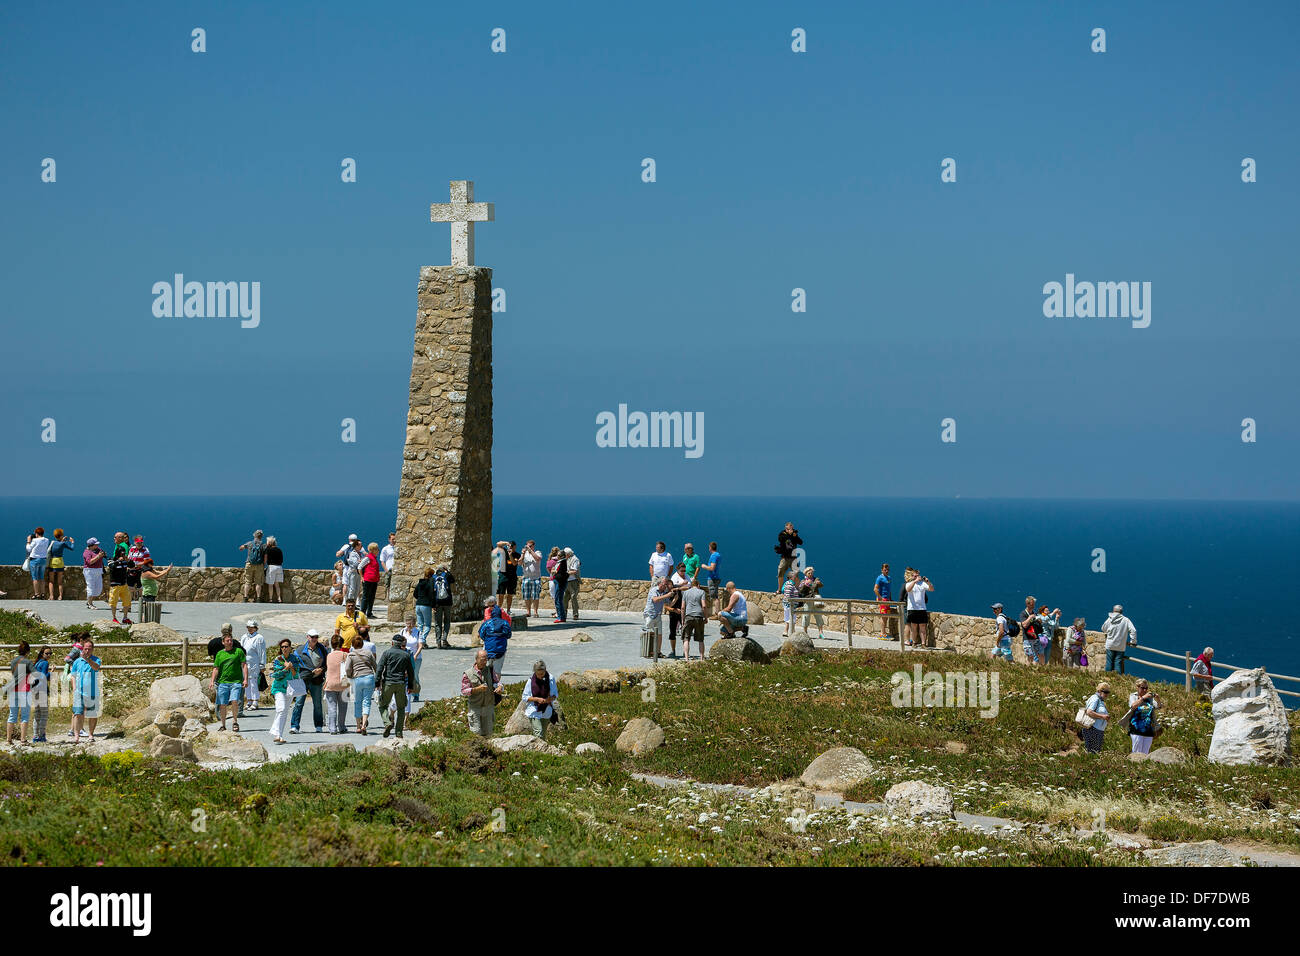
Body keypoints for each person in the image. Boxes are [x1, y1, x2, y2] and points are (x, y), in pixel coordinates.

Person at [290, 629, 329, 734]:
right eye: (312, 637)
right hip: (303, 680)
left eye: (316, 637)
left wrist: (322, 669)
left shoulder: (322, 649)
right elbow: (295, 663)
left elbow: (327, 663)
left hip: (317, 680)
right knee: (298, 703)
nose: (314, 639)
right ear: (307, 637)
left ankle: (318, 725)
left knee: (317, 704)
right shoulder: (299, 650)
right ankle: (294, 726)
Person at [377, 634, 416, 738]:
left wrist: (377, 683)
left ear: (392, 643)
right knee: (401, 708)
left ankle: (387, 723)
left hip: (388, 683)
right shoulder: (406, 655)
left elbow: (379, 668)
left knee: (383, 705)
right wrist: (411, 686)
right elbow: (411, 672)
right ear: (401, 644)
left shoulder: (386, 653)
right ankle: (399, 732)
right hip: (401, 683)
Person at [210, 631, 248, 732]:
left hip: (236, 681)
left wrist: (245, 679)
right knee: (222, 704)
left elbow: (244, 665)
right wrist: (212, 681)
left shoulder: (238, 652)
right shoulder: (219, 654)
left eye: (231, 640)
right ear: (223, 642)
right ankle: (223, 725)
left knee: (235, 701)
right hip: (222, 682)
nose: (230, 642)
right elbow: (216, 668)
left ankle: (235, 722)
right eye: (228, 640)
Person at [461, 649, 502, 737]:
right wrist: (476, 689)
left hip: (488, 706)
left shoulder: (490, 670)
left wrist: (499, 687)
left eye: (486, 659)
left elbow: (496, 682)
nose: (484, 662)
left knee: (488, 734)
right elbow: (464, 691)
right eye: (482, 659)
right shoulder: (468, 673)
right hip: (475, 708)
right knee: (476, 734)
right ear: (476, 659)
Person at [69, 639, 103, 742]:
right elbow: (73, 675)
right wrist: (74, 687)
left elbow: (96, 668)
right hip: (79, 692)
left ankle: (91, 734)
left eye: (89, 649)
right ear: (82, 649)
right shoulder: (77, 662)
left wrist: (88, 660)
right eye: (85, 649)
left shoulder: (96, 659)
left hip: (92, 691)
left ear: (93, 649)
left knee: (92, 714)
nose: (87, 651)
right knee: (77, 714)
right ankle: (76, 736)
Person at [344, 635, 378, 734]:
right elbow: (375, 666)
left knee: (357, 702)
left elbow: (347, 668)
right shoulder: (368, 653)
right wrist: (378, 679)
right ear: (362, 644)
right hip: (369, 677)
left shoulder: (351, 655)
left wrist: (350, 676)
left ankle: (358, 726)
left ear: (353, 645)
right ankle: (364, 724)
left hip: (357, 678)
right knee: (367, 701)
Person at [268, 638, 298, 743]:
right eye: (282, 647)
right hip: (279, 687)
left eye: (286, 646)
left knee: (284, 711)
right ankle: (276, 732)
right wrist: (285, 668)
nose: (284, 648)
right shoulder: (278, 659)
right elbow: (275, 674)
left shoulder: (294, 659)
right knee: (281, 708)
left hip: (290, 688)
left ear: (290, 648)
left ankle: (279, 735)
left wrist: (291, 667)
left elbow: (296, 674)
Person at [524, 660, 559, 739]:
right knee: (538, 732)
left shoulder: (550, 678)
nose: (540, 676)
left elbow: (555, 694)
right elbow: (525, 697)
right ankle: (538, 750)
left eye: (542, 673)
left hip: (547, 709)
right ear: (534, 672)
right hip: (534, 709)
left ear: (545, 670)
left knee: (543, 734)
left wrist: (550, 698)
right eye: (538, 674)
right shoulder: (530, 681)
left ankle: (540, 750)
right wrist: (537, 699)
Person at [6, 642, 33, 744]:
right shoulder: (28, 662)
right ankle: (23, 739)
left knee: (12, 715)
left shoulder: (13, 661)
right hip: (24, 690)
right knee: (24, 715)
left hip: (14, 690)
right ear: (27, 651)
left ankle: (9, 739)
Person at [1127, 679, 1161, 755]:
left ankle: (1142, 767)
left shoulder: (1150, 698)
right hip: (1136, 728)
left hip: (1149, 728)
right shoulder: (1133, 696)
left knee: (1145, 753)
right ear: (1137, 687)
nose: (1145, 690)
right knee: (1136, 752)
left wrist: (1158, 699)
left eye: (1146, 688)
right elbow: (1133, 706)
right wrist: (1143, 698)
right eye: (1142, 688)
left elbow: (1158, 707)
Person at [323, 636, 348, 734]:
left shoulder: (329, 655)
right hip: (343, 683)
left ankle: (332, 728)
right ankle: (341, 726)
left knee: (331, 707)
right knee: (343, 707)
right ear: (341, 644)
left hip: (330, 684)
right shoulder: (345, 654)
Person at [240, 619, 267, 712]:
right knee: (246, 681)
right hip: (245, 663)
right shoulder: (244, 637)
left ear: (255, 628)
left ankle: (255, 701)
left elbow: (262, 652)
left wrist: (262, 664)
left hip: (254, 662)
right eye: (248, 627)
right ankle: (249, 700)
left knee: (253, 682)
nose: (250, 629)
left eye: (252, 627)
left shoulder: (259, 638)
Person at [481, 598, 512, 675]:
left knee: (484, 657)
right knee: (497, 671)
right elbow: (509, 634)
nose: (489, 607)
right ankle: (496, 684)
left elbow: (482, 633)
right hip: (500, 645)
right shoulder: (503, 622)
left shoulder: (499, 613)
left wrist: (487, 638)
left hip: (489, 641)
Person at [1103, 604, 1137, 674]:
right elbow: (1133, 630)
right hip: (1120, 645)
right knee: (1118, 662)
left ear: (1113, 610)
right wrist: (1133, 641)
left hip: (1110, 644)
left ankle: (1106, 677)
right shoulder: (1126, 620)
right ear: (1121, 611)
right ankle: (1117, 679)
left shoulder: (1110, 619)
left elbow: (1103, 629)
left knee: (1109, 662)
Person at [644, 577, 673, 657]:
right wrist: (667, 595)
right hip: (650, 615)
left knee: (659, 634)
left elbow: (668, 605)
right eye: (665, 584)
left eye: (666, 584)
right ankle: (647, 651)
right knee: (649, 633)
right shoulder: (654, 590)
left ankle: (658, 652)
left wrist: (675, 598)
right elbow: (655, 600)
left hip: (658, 615)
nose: (666, 586)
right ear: (660, 584)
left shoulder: (664, 592)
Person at [904, 570, 933, 648]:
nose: (917, 577)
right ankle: (914, 642)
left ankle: (923, 644)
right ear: (912, 576)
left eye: (918, 575)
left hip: (922, 608)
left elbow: (931, 589)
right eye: (915, 576)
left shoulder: (923, 584)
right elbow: (908, 590)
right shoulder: (908, 584)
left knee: (922, 626)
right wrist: (915, 581)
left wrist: (928, 582)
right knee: (914, 627)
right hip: (912, 608)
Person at [680, 578, 707, 660]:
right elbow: (704, 606)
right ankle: (702, 658)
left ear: (691, 585)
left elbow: (682, 607)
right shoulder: (701, 592)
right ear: (698, 585)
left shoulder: (685, 593)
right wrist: (706, 617)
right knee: (700, 639)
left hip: (688, 616)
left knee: (686, 638)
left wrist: (682, 619)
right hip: (699, 616)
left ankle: (687, 658)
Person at [105, 546, 133, 625]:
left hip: (124, 584)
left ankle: (125, 617)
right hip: (115, 584)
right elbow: (112, 567)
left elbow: (132, 565)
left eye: (124, 552)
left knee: (127, 601)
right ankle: (114, 618)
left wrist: (128, 560)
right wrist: (118, 561)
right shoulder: (111, 560)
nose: (123, 554)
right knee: (113, 601)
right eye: (122, 552)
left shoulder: (125, 561)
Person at [30, 645, 52, 743]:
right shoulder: (45, 663)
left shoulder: (36, 663)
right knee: (44, 714)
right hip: (42, 690)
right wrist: (51, 672)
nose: (49, 655)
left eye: (50, 653)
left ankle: (35, 736)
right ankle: (42, 735)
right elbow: (44, 676)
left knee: (37, 714)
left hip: (34, 690)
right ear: (42, 654)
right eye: (47, 653)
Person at [46, 530, 76, 601]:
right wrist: (72, 542)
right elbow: (72, 548)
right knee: (60, 582)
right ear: (61, 535)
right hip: (60, 562)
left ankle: (51, 596)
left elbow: (57, 545)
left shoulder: (52, 543)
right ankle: (60, 596)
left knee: (51, 581)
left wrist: (62, 540)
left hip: (53, 562)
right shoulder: (63, 544)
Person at [238, 530, 267, 603]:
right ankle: (258, 598)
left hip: (249, 564)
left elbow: (241, 548)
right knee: (258, 583)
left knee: (248, 582)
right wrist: (264, 564)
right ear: (261, 536)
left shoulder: (250, 543)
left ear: (254, 535)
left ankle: (245, 598)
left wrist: (242, 547)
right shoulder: (263, 545)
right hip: (259, 565)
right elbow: (265, 556)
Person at [1082, 682, 1111, 754]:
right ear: (1099, 691)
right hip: (1093, 729)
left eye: (1108, 692)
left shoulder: (1099, 700)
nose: (1107, 694)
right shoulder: (1095, 699)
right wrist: (1103, 716)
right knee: (1093, 752)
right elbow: (1089, 712)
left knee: (1094, 752)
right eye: (1105, 692)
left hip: (1097, 730)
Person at [518, 540, 543, 618]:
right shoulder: (524, 555)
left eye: (530, 545)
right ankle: (528, 612)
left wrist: (530, 551)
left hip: (535, 578)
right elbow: (519, 563)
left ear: (533, 546)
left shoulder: (537, 552)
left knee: (535, 596)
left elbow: (538, 559)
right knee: (526, 596)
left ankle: (535, 612)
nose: (528, 547)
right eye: (527, 545)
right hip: (526, 577)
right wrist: (522, 554)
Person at [401, 613, 423, 701]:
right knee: (404, 675)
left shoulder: (418, 632)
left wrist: (415, 655)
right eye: (408, 623)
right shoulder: (402, 631)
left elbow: (420, 646)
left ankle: (416, 693)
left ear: (414, 623)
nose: (409, 625)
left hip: (415, 658)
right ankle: (405, 693)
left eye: (411, 623)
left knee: (414, 675)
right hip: (405, 657)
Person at [775, 522, 802, 592]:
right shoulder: (782, 534)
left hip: (793, 557)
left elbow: (801, 542)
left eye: (792, 528)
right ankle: (779, 589)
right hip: (785, 557)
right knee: (780, 572)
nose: (791, 530)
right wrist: (790, 535)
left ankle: (798, 590)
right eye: (789, 529)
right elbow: (781, 539)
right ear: (786, 529)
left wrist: (795, 536)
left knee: (796, 573)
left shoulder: (794, 535)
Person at [25, 528, 50, 599]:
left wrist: (28, 541)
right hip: (43, 560)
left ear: (36, 533)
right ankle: (42, 594)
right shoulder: (47, 540)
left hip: (34, 560)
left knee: (35, 578)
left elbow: (28, 549)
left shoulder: (34, 540)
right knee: (41, 577)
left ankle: (36, 594)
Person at [359, 542, 383, 617]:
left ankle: (369, 612)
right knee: (365, 597)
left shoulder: (374, 558)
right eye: (377, 549)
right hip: (367, 580)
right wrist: (362, 577)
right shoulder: (368, 558)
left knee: (371, 597)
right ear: (373, 550)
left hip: (374, 580)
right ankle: (362, 613)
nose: (378, 550)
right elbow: (360, 567)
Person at [82, 538, 106, 609]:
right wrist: (98, 556)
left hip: (98, 570)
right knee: (91, 587)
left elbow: (102, 555)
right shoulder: (87, 552)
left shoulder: (98, 550)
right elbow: (90, 562)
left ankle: (89, 600)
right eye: (96, 544)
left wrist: (103, 554)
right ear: (91, 545)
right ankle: (90, 604)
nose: (97, 545)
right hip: (89, 571)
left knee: (98, 589)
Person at [1019, 596, 1042, 664]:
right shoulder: (1023, 614)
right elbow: (1024, 625)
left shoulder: (1035, 613)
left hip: (1035, 638)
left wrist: (1039, 621)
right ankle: (1027, 671)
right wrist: (1030, 618)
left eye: (1034, 604)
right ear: (1027, 604)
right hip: (1027, 639)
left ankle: (1034, 671)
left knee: (1039, 655)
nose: (1033, 606)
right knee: (1030, 656)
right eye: (1032, 604)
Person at [874, 563, 893, 640]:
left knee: (886, 616)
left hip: (887, 599)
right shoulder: (879, 578)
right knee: (883, 616)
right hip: (883, 599)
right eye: (885, 570)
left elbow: (889, 589)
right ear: (882, 570)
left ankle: (884, 633)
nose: (886, 571)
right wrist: (880, 598)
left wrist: (890, 598)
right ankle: (882, 634)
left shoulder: (889, 578)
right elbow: (875, 589)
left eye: (888, 569)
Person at [701, 542, 721, 616]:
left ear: (710, 547)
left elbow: (712, 568)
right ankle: (717, 613)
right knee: (715, 596)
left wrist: (704, 566)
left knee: (715, 597)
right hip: (716, 577)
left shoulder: (714, 556)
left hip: (713, 578)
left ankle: (717, 614)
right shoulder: (718, 555)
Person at [264, 535, 285, 603]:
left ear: (269, 543)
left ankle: (270, 599)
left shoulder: (268, 550)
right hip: (279, 567)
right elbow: (282, 560)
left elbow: (266, 559)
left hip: (271, 567)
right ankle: (279, 599)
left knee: (270, 584)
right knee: (277, 585)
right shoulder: (279, 550)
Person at [551, 549, 570, 623]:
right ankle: (561, 616)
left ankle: (561, 617)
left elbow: (562, 574)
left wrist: (555, 573)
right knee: (558, 599)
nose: (557, 556)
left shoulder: (563, 563)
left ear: (562, 556)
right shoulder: (559, 562)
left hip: (560, 582)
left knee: (558, 600)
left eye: (558, 555)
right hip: (558, 582)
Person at [780, 569, 800, 638]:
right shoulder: (789, 584)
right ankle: (786, 631)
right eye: (795, 576)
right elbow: (788, 595)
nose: (796, 577)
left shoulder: (790, 583)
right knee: (790, 618)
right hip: (790, 604)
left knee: (791, 618)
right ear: (791, 577)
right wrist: (791, 601)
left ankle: (793, 631)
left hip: (790, 604)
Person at [564, 547, 581, 620]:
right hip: (566, 581)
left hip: (573, 581)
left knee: (573, 597)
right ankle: (563, 614)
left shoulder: (575, 559)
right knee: (564, 598)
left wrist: (566, 573)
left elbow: (574, 571)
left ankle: (575, 614)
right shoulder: (566, 559)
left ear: (568, 554)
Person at [380, 532, 397, 600]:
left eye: (395, 539)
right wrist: (386, 570)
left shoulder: (399, 548)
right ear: (389, 539)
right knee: (389, 586)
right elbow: (382, 561)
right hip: (389, 570)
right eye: (393, 539)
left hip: (397, 570)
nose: (394, 541)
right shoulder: (385, 549)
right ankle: (389, 600)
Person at [545, 547, 561, 615]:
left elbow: (549, 571)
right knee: (559, 596)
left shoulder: (549, 562)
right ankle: (559, 611)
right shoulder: (561, 561)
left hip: (552, 580)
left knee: (554, 597)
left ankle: (557, 611)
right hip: (559, 580)